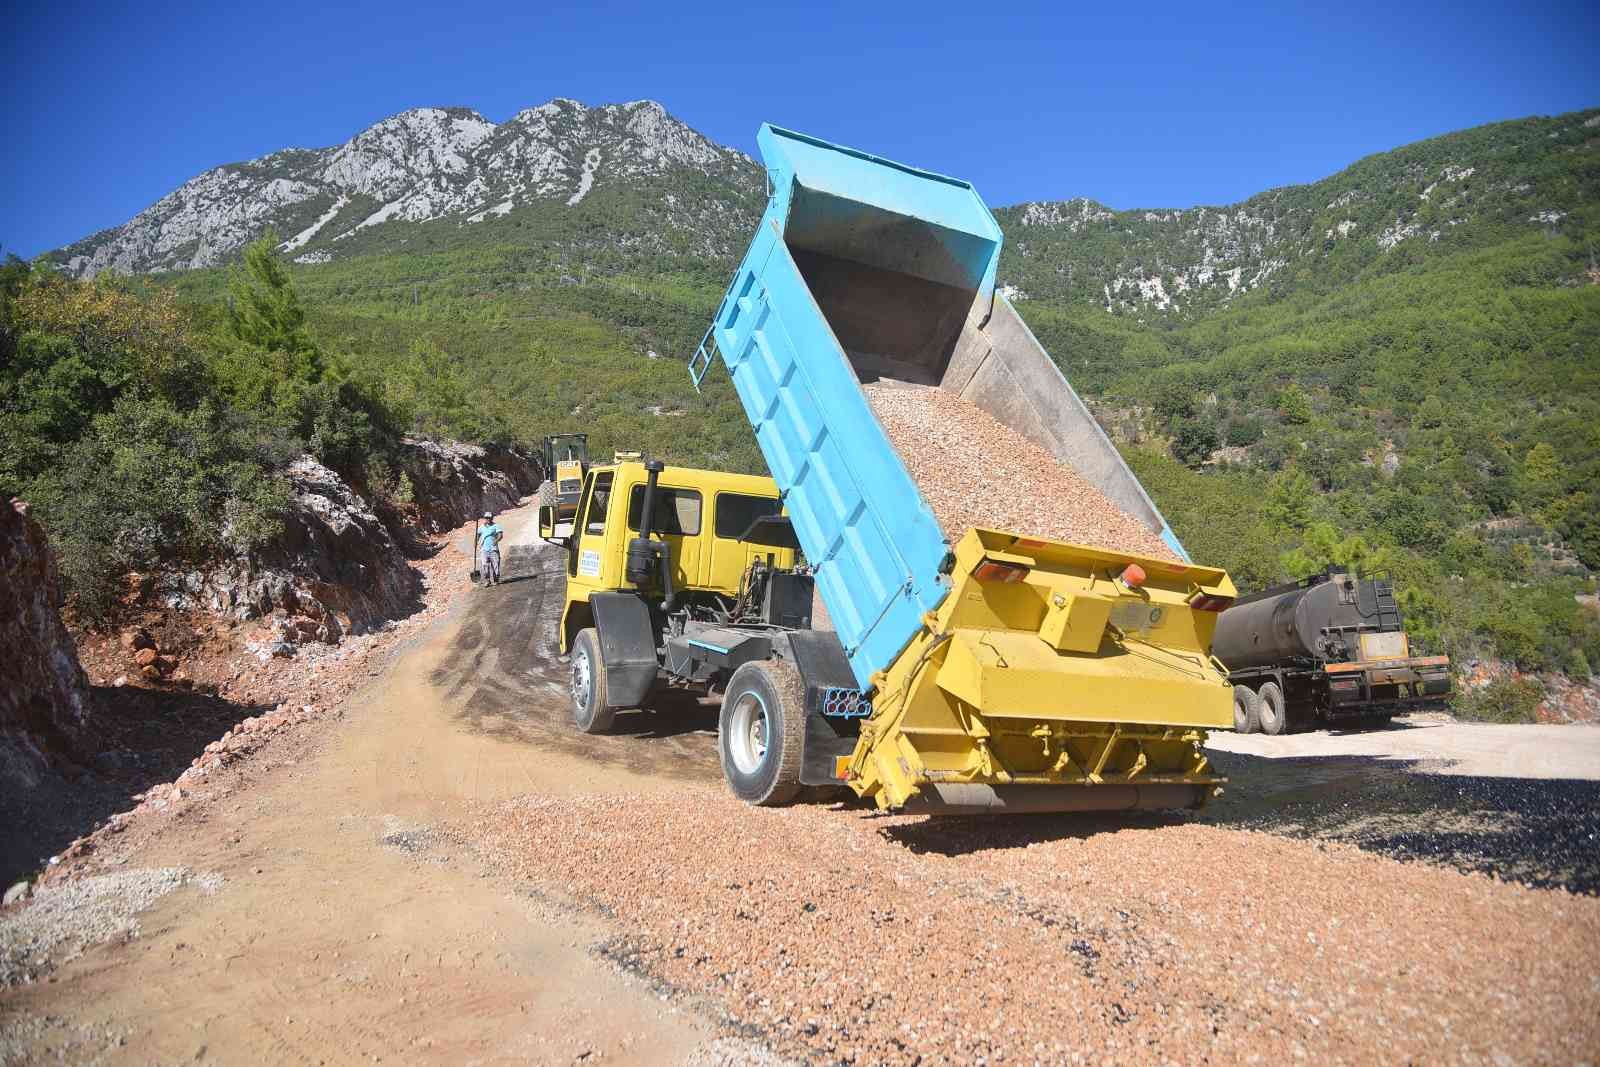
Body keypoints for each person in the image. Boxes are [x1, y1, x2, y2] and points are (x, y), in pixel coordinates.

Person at [478, 511, 504, 585]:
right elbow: (478, 534)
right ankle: (487, 581)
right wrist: (475, 542)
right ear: (484, 518)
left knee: (495, 565)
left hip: (493, 549)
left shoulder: (496, 526)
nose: (488, 519)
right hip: (484, 549)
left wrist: (496, 541)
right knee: (485, 565)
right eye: (486, 518)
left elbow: (500, 535)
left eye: (489, 518)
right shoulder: (481, 527)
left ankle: (496, 580)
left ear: (492, 518)